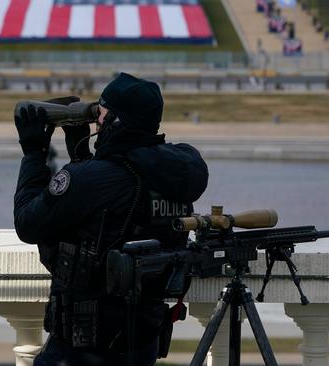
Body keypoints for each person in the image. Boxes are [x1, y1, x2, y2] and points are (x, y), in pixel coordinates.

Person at [13, 72, 209, 365]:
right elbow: (109, 216)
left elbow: (28, 224)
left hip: (83, 347)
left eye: (101, 115)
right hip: (141, 341)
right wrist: (82, 159)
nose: (97, 122)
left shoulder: (91, 180)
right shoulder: (172, 174)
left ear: (115, 121)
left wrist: (33, 153)